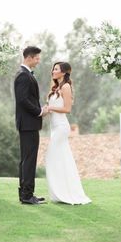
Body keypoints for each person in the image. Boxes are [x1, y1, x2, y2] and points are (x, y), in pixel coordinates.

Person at [45, 62, 91, 205]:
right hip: (54, 127)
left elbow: (67, 109)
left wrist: (50, 108)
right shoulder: (56, 87)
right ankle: (60, 192)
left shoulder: (65, 87)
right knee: (60, 158)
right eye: (53, 68)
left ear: (64, 72)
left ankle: (66, 192)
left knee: (52, 156)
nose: (53, 71)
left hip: (61, 127)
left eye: (56, 69)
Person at [14, 46, 47, 205]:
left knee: (27, 159)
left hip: (28, 124)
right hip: (28, 124)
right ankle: (27, 195)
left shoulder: (25, 75)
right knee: (29, 160)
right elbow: (23, 100)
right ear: (29, 58)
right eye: (37, 58)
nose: (38, 61)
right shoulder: (23, 76)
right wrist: (39, 112)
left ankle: (26, 194)